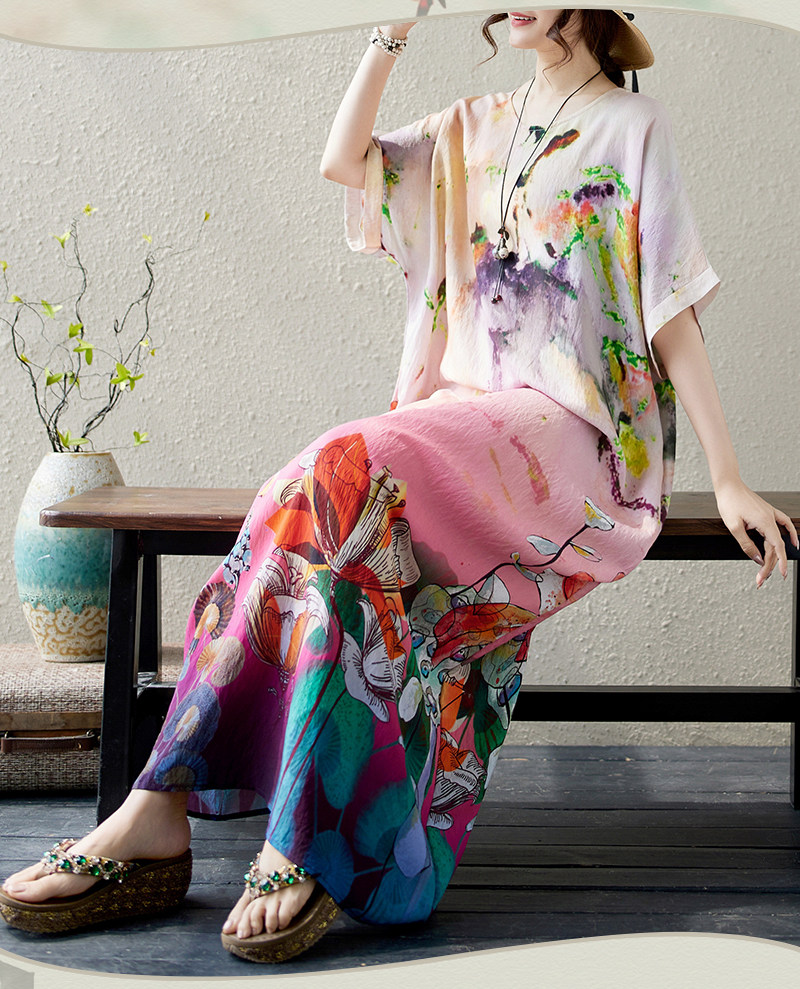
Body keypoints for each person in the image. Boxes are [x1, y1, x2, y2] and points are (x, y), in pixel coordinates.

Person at [2, 7, 797, 966]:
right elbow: (344, 162)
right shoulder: (471, 123)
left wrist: (727, 474)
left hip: (572, 443)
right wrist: (389, 32)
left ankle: (253, 827)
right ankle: (160, 805)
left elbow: (668, 309)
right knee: (318, 504)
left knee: (342, 466)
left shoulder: (635, 126)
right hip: (458, 429)